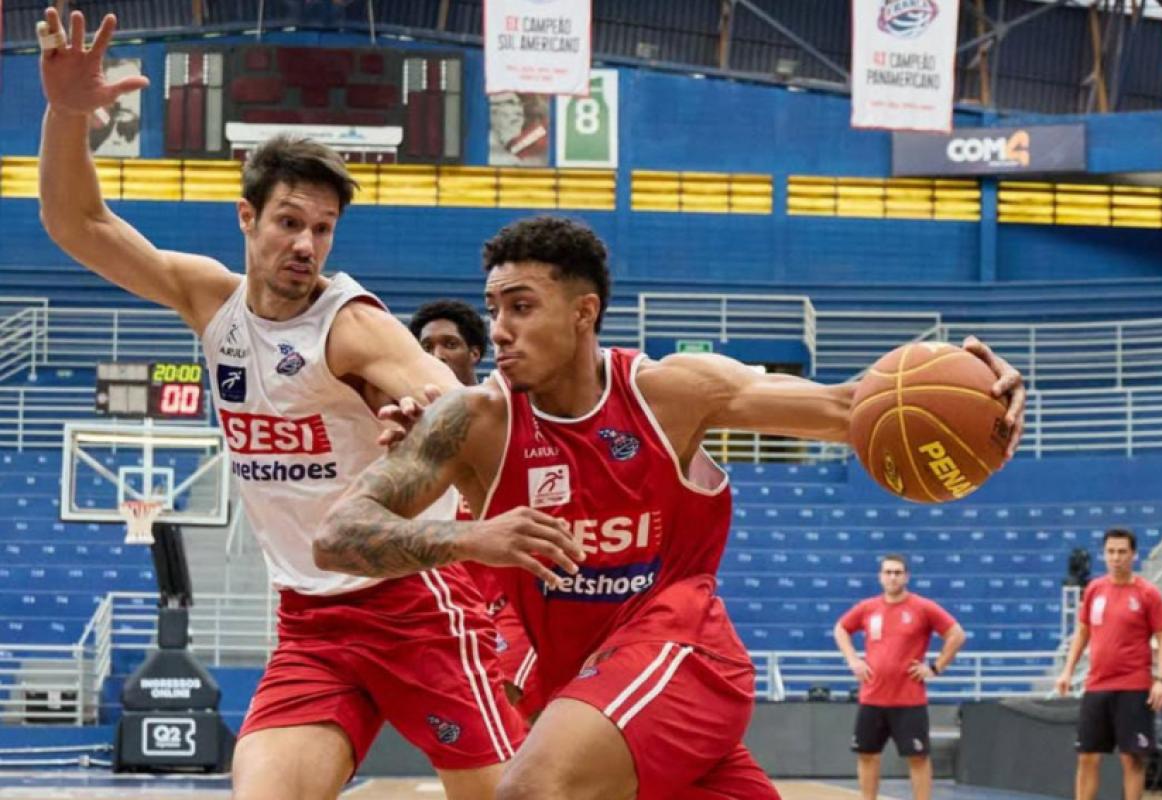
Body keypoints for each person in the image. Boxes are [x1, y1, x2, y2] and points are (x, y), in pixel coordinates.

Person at [311, 215, 1026, 799]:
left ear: (584, 311)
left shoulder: (670, 394)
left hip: (681, 653)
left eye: (521, 306)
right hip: (587, 688)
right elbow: (339, 535)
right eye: (494, 307)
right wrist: (472, 540)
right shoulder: (471, 421)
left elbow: (853, 406)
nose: (498, 328)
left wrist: (983, 399)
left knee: (530, 792)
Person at [35, 9, 536, 799]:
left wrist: (422, 423)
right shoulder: (211, 302)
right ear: (249, 219)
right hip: (310, 618)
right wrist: (67, 114)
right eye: (289, 222)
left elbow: (457, 407)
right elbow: (80, 224)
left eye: (323, 229)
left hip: (416, 605)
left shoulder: (351, 324)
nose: (305, 244)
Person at [409, 299, 542, 714]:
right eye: (426, 345)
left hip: (515, 608)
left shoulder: (508, 414)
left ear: (475, 354)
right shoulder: (406, 427)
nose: (437, 354)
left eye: (449, 343)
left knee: (501, 704)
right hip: (447, 614)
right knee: (486, 735)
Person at [833, 554, 967, 800]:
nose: (892, 577)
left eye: (897, 572)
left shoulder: (923, 607)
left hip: (909, 700)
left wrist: (935, 667)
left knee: (917, 758)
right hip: (872, 697)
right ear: (880, 576)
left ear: (906, 576)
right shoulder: (868, 608)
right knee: (867, 754)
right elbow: (841, 628)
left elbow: (956, 634)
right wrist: (853, 659)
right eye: (888, 572)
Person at [1055, 528, 1162, 800]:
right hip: (1097, 686)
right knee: (1086, 757)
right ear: (1104, 554)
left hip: (1133, 686)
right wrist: (1067, 671)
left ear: (1133, 554)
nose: (1116, 557)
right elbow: (1083, 632)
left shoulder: (1147, 593)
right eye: (1110, 552)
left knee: (1132, 759)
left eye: (1122, 552)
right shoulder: (1095, 589)